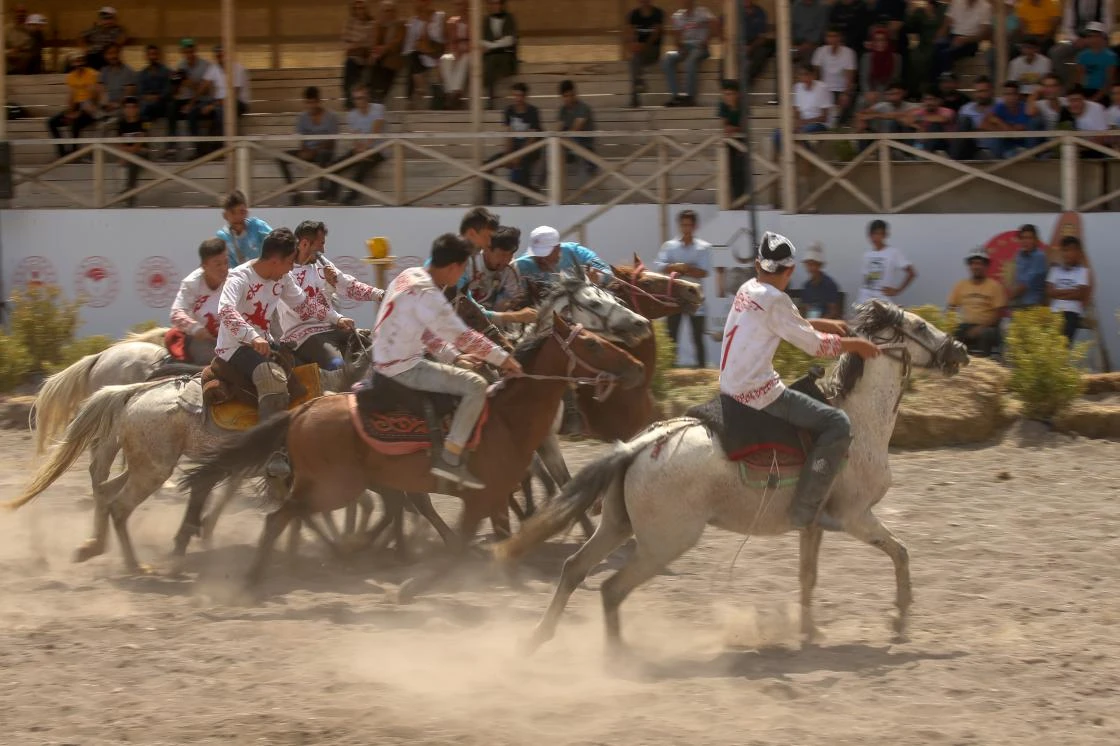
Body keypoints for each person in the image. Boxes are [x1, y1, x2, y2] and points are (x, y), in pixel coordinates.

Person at [720, 231, 880, 531]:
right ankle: (805, 510)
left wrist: (825, 324)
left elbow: (787, 322)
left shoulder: (749, 288)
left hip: (729, 386)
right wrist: (858, 346)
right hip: (757, 394)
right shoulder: (777, 301)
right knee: (838, 425)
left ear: (758, 265)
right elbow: (816, 347)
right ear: (791, 270)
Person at [370, 233, 523, 489]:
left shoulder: (409, 275)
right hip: (404, 368)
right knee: (475, 385)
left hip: (387, 360)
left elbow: (427, 332)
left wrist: (455, 356)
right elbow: (462, 335)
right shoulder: (428, 294)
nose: (459, 277)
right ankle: (451, 458)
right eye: (462, 269)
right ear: (454, 266)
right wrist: (504, 359)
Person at [214, 228, 334, 479]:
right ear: (275, 260)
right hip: (234, 348)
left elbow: (303, 305)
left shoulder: (282, 278)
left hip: (265, 344)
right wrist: (253, 336)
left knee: (305, 371)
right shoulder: (239, 277)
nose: (292, 268)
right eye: (290, 261)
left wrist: (337, 318)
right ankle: (271, 453)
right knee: (272, 379)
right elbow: (225, 311)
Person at [279, 220, 381, 370]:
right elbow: (304, 309)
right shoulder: (286, 272)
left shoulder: (321, 263)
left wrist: (379, 294)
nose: (323, 250)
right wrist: (330, 292)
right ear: (305, 244)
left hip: (330, 327)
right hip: (302, 334)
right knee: (338, 366)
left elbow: (348, 285)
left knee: (376, 355)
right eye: (320, 244)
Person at [655, 209, 711, 368]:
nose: (686, 228)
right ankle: (669, 371)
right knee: (671, 337)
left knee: (697, 337)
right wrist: (675, 266)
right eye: (684, 225)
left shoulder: (703, 247)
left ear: (695, 227)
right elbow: (660, 266)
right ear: (680, 226)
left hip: (695, 298)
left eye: (689, 225)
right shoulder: (670, 246)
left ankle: (702, 371)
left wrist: (683, 268)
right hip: (674, 297)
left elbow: (704, 271)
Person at [170, 237, 230, 364]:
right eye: (218, 264)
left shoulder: (234, 280)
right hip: (200, 340)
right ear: (204, 266)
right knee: (216, 363)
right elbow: (176, 313)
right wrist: (196, 329)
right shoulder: (191, 284)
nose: (224, 268)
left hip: (230, 339)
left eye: (226, 262)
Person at [278, 86, 341, 205]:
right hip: (309, 151)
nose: (311, 106)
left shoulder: (331, 116)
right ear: (305, 102)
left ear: (318, 101)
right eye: (308, 103)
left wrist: (315, 151)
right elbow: (302, 139)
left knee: (323, 155)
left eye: (313, 102)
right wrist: (304, 151)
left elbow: (332, 142)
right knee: (281, 157)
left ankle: (321, 192)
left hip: (325, 151)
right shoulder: (302, 117)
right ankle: (293, 192)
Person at [513, 226, 614, 293]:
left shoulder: (577, 252)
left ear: (558, 248)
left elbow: (609, 273)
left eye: (545, 254)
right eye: (536, 254)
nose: (540, 259)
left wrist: (598, 278)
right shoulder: (520, 265)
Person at [947, 249, 1007, 356]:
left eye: (980, 263)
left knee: (987, 334)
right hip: (965, 326)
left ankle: (981, 366)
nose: (976, 267)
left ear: (986, 266)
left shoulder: (995, 286)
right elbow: (951, 308)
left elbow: (998, 315)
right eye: (973, 263)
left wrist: (981, 328)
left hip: (988, 327)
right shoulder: (961, 285)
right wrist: (951, 323)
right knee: (953, 333)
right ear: (969, 266)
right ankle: (955, 363)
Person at [663, 0, 717, 107]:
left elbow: (715, 24)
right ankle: (676, 96)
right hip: (686, 47)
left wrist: (706, 40)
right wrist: (680, 47)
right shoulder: (678, 16)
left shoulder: (703, 12)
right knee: (668, 58)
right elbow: (677, 36)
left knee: (690, 61)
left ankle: (689, 97)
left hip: (700, 46)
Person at [47, 54, 100, 158]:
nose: (79, 64)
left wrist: (78, 113)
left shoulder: (92, 74)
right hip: (77, 106)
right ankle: (62, 154)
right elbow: (71, 96)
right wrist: (69, 112)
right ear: (72, 63)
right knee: (51, 122)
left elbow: (94, 98)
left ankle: (74, 154)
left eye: (81, 61)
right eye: (76, 61)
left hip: (90, 108)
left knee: (75, 122)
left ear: (84, 62)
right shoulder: (71, 76)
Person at [341, 84, 387, 204]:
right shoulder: (352, 115)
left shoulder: (378, 108)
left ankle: (351, 198)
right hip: (362, 149)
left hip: (379, 149)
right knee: (338, 164)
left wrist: (365, 150)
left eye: (362, 97)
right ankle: (329, 196)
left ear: (368, 97)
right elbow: (355, 137)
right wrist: (359, 149)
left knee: (362, 167)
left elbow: (375, 132)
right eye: (357, 98)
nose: (360, 101)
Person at [856, 219, 916, 306]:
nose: (876, 237)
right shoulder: (867, 255)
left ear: (885, 235)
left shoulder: (893, 253)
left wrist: (897, 290)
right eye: (874, 234)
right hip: (864, 299)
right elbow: (867, 278)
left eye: (879, 234)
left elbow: (912, 273)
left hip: (882, 299)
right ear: (869, 235)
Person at [1046, 235, 1092, 346]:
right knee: (1047, 341)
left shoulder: (1082, 271)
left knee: (1063, 344)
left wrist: (1058, 293)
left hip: (1071, 312)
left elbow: (1080, 294)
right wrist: (1071, 291)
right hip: (1054, 312)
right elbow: (1049, 292)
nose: (1067, 254)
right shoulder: (1055, 270)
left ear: (1078, 253)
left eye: (1071, 250)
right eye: (1065, 250)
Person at [217, 189, 273, 265]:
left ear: (247, 212)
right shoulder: (223, 236)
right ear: (225, 215)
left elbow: (276, 243)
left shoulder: (258, 226)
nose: (238, 216)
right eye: (233, 212)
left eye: (242, 212)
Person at [626, 0, 665, 107]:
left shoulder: (658, 13)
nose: (645, 2)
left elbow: (656, 34)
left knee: (635, 60)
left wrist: (643, 46)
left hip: (653, 49)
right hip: (639, 51)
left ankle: (635, 97)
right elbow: (630, 32)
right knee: (634, 59)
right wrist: (633, 44)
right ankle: (638, 89)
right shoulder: (634, 14)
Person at [342, 0, 375, 109]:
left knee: (369, 69)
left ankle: (365, 102)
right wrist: (360, 45)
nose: (358, 11)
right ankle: (350, 102)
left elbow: (371, 44)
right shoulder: (350, 23)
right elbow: (346, 47)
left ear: (366, 9)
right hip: (354, 59)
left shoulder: (372, 23)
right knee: (350, 64)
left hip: (367, 59)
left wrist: (356, 45)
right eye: (356, 9)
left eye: (361, 8)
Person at [114, 96, 146, 206]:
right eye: (127, 107)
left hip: (142, 154)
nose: (130, 110)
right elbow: (120, 144)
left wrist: (128, 152)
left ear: (137, 109)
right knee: (124, 162)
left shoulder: (143, 122)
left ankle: (128, 193)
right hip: (128, 156)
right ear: (124, 109)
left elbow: (139, 145)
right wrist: (127, 152)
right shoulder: (121, 124)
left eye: (133, 107)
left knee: (132, 159)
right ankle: (128, 193)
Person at [797, 242, 842, 319]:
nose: (812, 268)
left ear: (820, 265)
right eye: (809, 264)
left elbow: (833, 312)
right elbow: (805, 308)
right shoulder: (806, 286)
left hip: (825, 324)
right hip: (810, 323)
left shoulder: (829, 285)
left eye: (815, 264)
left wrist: (819, 323)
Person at [1074, 22, 1117, 102]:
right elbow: (1079, 79)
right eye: (1089, 36)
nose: (1092, 39)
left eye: (1095, 36)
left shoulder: (1110, 56)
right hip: (1085, 92)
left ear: (1102, 37)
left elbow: (1109, 81)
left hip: (1104, 94)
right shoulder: (1082, 56)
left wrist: (1095, 99)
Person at [1011, 223, 1050, 307]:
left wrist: (1007, 298)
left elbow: (1025, 285)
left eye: (1029, 238)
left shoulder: (1039, 256)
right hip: (1019, 302)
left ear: (1036, 240)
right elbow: (1017, 279)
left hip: (1033, 305)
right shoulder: (1019, 255)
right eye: (1023, 238)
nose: (1025, 241)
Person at [80, 6, 127, 71]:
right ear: (100, 19)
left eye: (109, 18)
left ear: (114, 19)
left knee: (108, 58)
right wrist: (84, 47)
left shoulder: (118, 30)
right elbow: (80, 36)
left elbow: (122, 38)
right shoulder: (94, 29)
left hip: (107, 55)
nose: (107, 21)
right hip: (92, 55)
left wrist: (115, 48)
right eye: (104, 19)